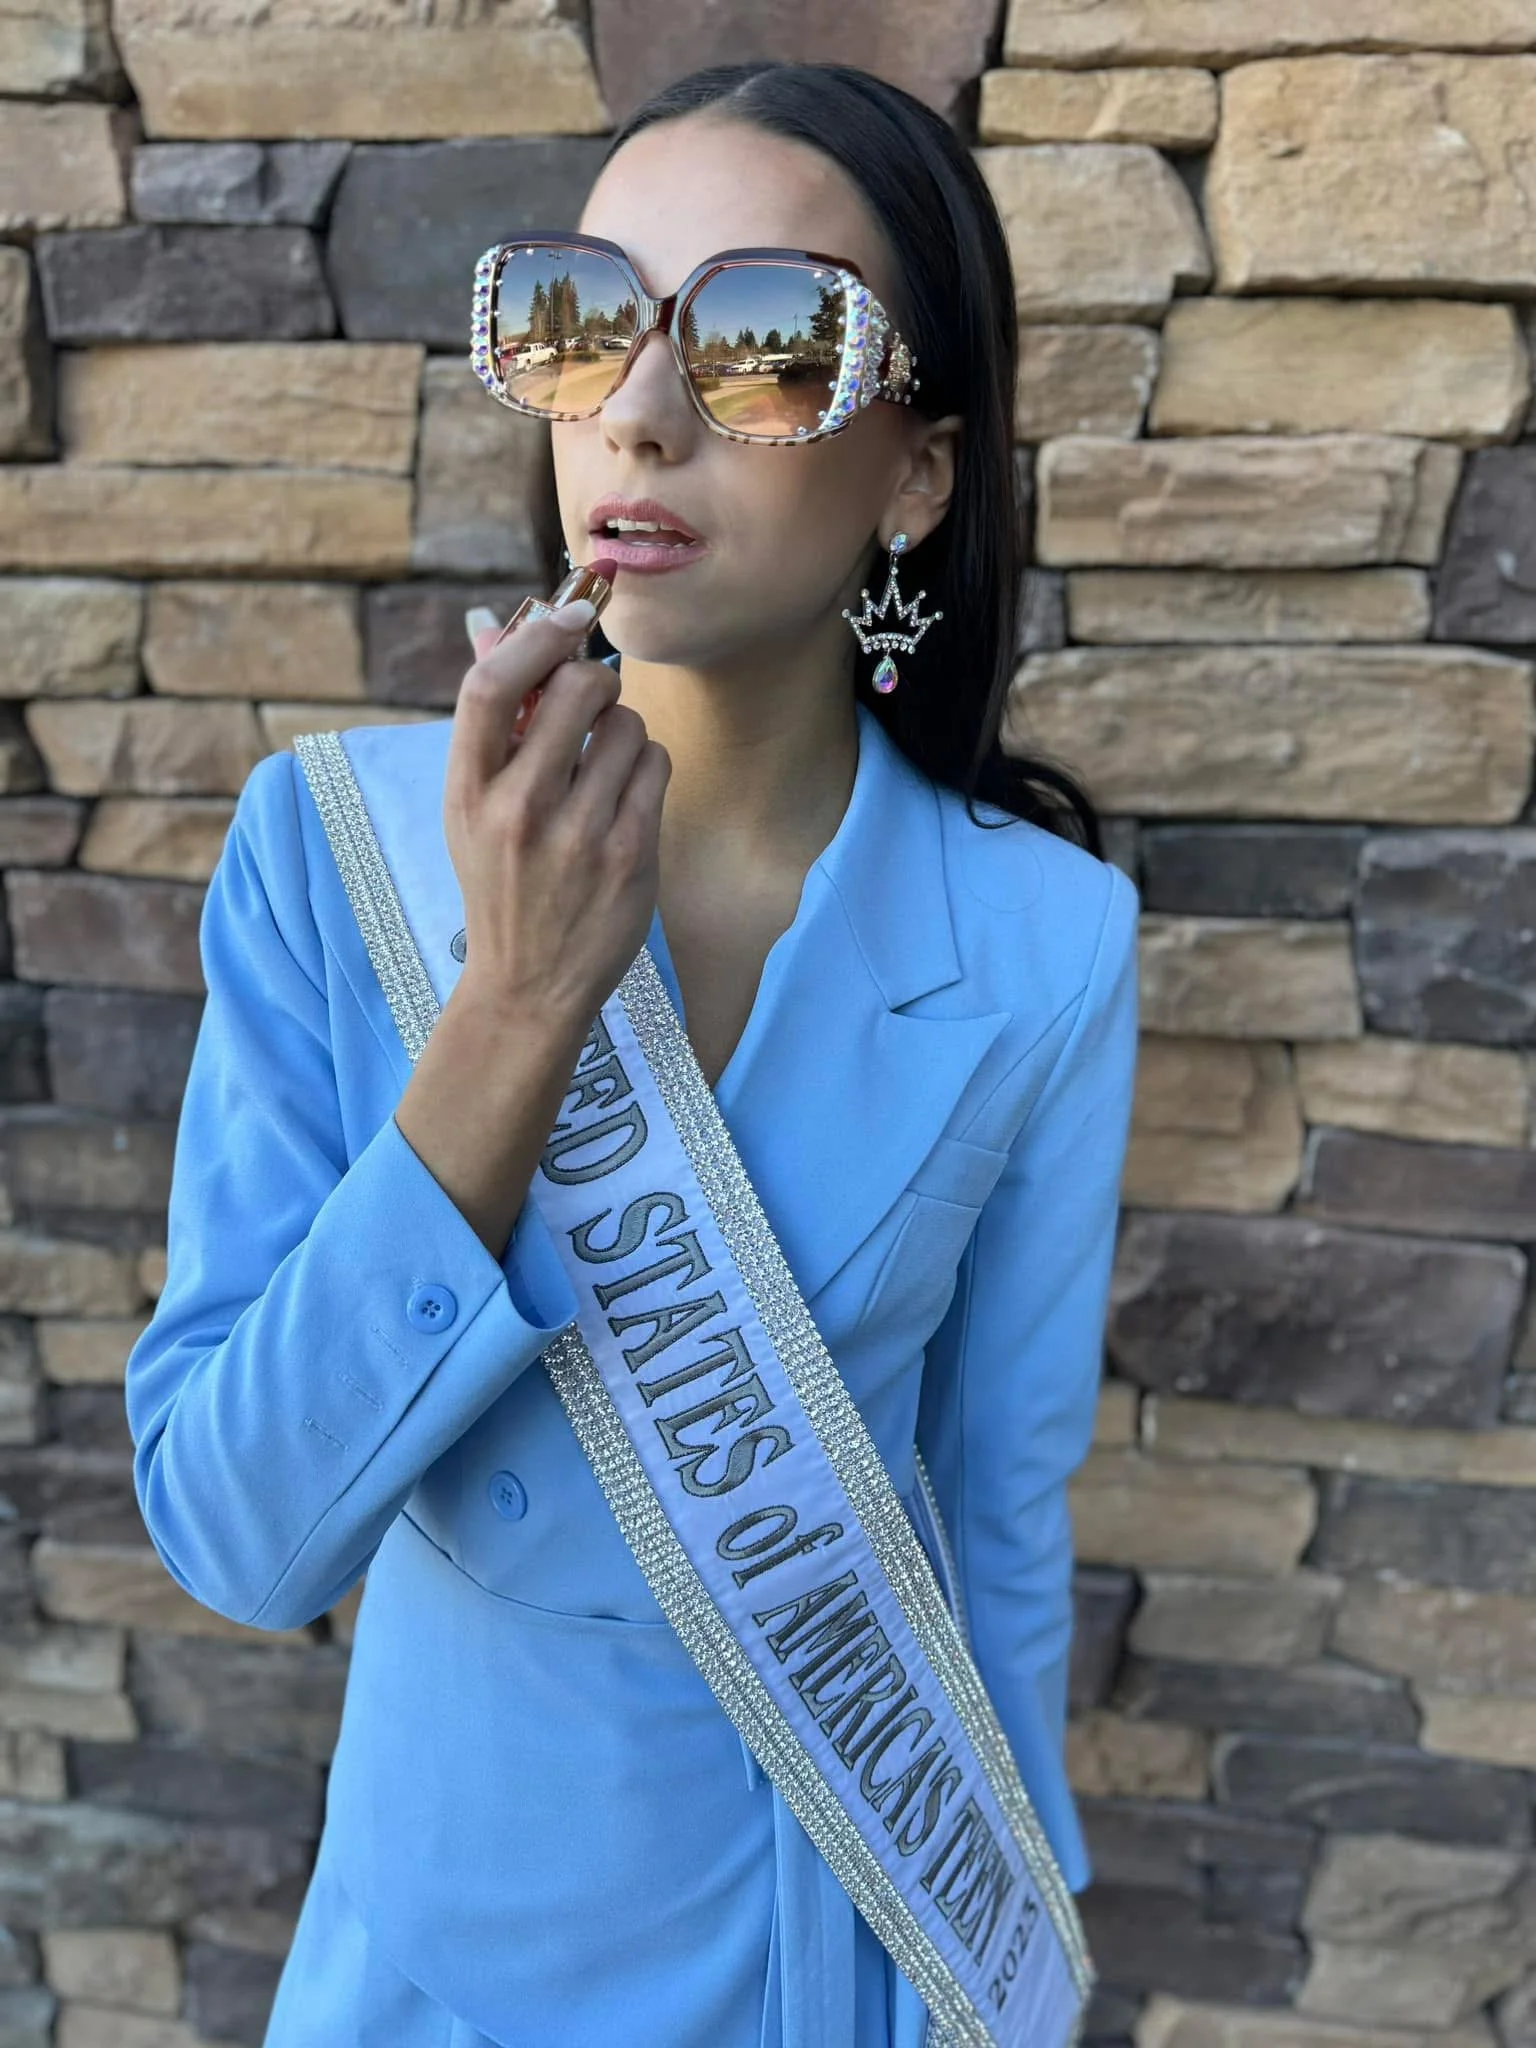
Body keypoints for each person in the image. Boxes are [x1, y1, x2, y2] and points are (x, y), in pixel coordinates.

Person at [124, 58, 1140, 2048]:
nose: (644, 409)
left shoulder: (1043, 941)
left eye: (764, 339)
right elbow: (242, 1536)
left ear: (919, 467)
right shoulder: (332, 853)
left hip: (823, 1944)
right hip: (442, 1958)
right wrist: (507, 1011)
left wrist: (1001, 1976)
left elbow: (996, 1524)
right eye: (586, 318)